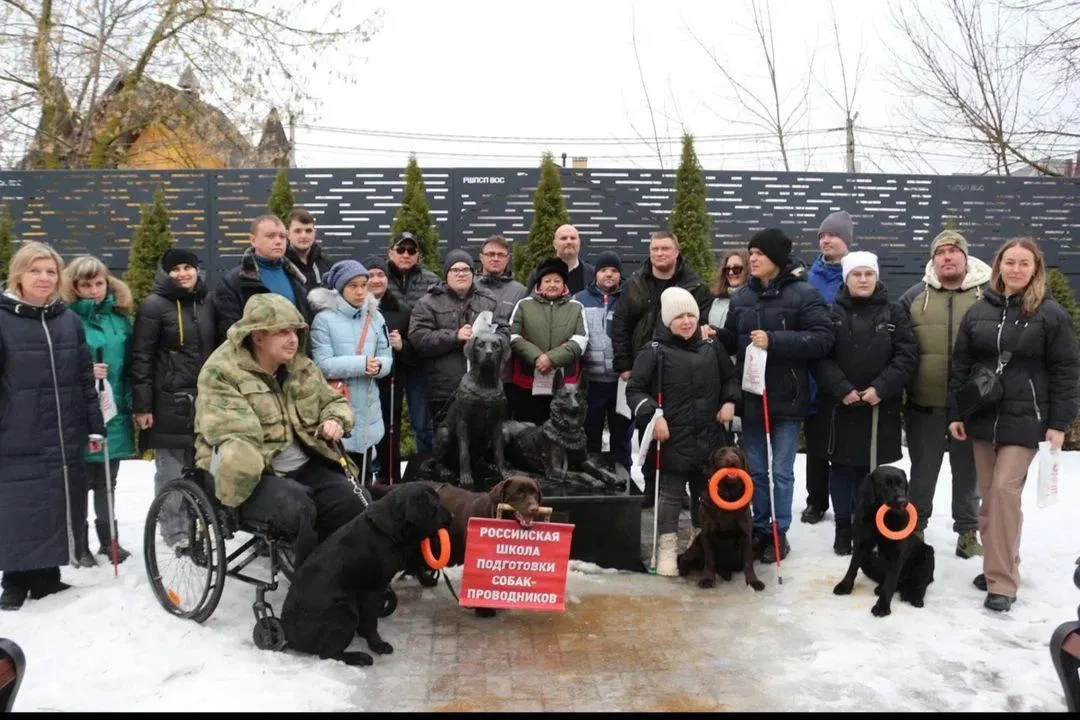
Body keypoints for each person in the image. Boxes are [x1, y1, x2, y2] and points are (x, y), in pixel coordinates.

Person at [948, 237, 1079, 612]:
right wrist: (958, 412)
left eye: (1024, 263)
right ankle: (999, 562)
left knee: (1004, 494)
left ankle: (1002, 582)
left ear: (1035, 268)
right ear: (998, 266)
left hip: (1026, 419)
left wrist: (1059, 423)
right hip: (983, 417)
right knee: (990, 498)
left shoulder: (1050, 314)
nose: (1016, 269)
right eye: (1010, 262)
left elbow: (1066, 371)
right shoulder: (978, 311)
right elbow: (961, 365)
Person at [194, 293, 364, 568]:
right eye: (283, 332)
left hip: (304, 465)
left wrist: (334, 419)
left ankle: (338, 568)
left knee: (353, 500)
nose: (293, 339)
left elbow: (334, 401)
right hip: (252, 473)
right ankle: (309, 577)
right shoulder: (221, 372)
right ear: (258, 337)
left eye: (295, 331)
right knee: (298, 507)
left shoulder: (301, 367)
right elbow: (233, 432)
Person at [0, 242, 104, 611]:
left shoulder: (68, 320)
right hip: (16, 431)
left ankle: (46, 576)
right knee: (18, 505)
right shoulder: (3, 319)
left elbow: (84, 378)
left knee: (55, 502)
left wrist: (95, 426)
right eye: (35, 270)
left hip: (62, 431)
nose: (43, 278)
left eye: (50, 271)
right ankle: (14, 580)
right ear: (19, 274)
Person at [723, 228, 834, 563]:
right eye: (751, 253)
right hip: (752, 396)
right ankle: (759, 528)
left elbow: (822, 338)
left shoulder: (804, 294)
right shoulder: (742, 297)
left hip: (788, 397)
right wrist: (714, 335)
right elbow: (733, 339)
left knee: (782, 472)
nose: (752, 259)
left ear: (777, 258)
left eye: (759, 254)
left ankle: (778, 531)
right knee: (756, 471)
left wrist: (775, 340)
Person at [626, 287, 739, 576]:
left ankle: (702, 545)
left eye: (691, 315)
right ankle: (667, 547)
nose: (687, 322)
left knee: (705, 493)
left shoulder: (712, 346)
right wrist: (653, 416)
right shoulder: (653, 351)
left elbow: (730, 379)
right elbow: (635, 390)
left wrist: (729, 401)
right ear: (667, 320)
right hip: (672, 437)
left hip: (708, 436)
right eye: (679, 317)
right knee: (671, 495)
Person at [811, 251, 917, 555]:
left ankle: (867, 525)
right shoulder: (830, 313)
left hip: (878, 406)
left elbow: (906, 356)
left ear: (876, 277)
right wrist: (841, 388)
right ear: (846, 278)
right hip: (839, 407)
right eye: (856, 274)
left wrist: (880, 388)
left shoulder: (894, 313)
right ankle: (843, 526)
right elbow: (820, 357)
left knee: (870, 472)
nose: (863, 279)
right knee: (841, 469)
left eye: (868, 274)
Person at [898, 229, 990, 557]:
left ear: (966, 257)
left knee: (968, 475)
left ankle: (967, 533)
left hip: (971, 409)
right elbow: (899, 347)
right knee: (922, 474)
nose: (947, 257)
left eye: (953, 251)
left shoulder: (989, 296)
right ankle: (915, 529)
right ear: (933, 259)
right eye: (940, 252)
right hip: (925, 405)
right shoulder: (913, 297)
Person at [612, 230, 711, 505]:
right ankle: (651, 486)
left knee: (681, 432)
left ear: (676, 252)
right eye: (654, 249)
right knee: (648, 428)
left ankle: (679, 489)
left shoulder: (695, 285)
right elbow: (620, 325)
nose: (659, 253)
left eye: (665, 248)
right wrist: (624, 364)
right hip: (645, 367)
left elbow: (702, 326)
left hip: (683, 370)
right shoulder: (635, 283)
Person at [130, 248, 216, 550]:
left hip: (204, 400)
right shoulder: (153, 306)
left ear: (197, 270)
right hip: (168, 400)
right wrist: (142, 406)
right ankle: (175, 532)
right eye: (175, 269)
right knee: (171, 471)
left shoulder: (207, 302)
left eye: (187, 267)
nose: (182, 273)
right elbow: (141, 358)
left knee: (202, 466)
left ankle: (199, 524)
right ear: (166, 273)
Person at [61, 255, 137, 566]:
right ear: (74, 287)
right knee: (79, 482)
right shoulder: (66, 320)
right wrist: (85, 371)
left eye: (99, 283)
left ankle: (110, 540)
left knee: (108, 481)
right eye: (86, 285)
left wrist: (132, 404)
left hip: (113, 410)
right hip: (80, 411)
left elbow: (131, 366)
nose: (94, 290)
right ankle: (79, 544)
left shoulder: (119, 320)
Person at [309, 260, 393, 479]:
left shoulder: (375, 317)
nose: (359, 291)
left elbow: (387, 357)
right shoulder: (323, 320)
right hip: (338, 405)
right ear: (340, 288)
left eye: (363, 285)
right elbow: (322, 365)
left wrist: (379, 367)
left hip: (369, 408)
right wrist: (362, 364)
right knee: (342, 479)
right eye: (352, 286)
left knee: (365, 475)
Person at [408, 249, 499, 431]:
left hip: (483, 388)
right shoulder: (428, 302)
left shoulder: (488, 300)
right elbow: (418, 338)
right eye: (455, 270)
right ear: (446, 274)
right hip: (443, 390)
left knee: (481, 438)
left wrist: (486, 342)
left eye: (466, 269)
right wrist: (454, 336)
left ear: (473, 273)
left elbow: (503, 331)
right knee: (446, 439)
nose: (461, 274)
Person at [802, 210, 854, 526]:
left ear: (846, 240)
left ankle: (846, 504)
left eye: (832, 235)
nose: (826, 240)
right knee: (817, 443)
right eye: (822, 236)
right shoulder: (809, 277)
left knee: (845, 443)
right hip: (813, 373)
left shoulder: (857, 274)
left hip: (848, 370)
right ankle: (816, 501)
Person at [509, 257, 589, 425]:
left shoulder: (576, 307)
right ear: (539, 283)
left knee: (561, 432)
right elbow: (513, 336)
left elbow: (580, 340)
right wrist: (537, 357)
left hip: (564, 388)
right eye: (547, 281)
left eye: (557, 281)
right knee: (528, 431)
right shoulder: (524, 305)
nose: (552, 284)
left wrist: (551, 358)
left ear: (564, 284)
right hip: (528, 383)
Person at [213, 214, 312, 345]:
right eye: (271, 236)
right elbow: (231, 334)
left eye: (282, 236)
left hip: (295, 354)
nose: (278, 241)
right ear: (253, 240)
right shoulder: (234, 281)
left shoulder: (297, 278)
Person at [384, 231, 440, 457]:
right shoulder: (378, 277)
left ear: (418, 255)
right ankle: (388, 471)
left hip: (419, 359)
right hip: (388, 360)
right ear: (390, 252)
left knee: (422, 421)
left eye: (411, 250)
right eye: (401, 249)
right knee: (388, 421)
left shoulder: (432, 281)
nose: (405, 254)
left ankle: (427, 465)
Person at [575, 250, 631, 471]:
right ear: (596, 274)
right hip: (592, 381)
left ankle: (623, 477)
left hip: (621, 380)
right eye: (604, 270)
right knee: (590, 434)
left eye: (614, 270)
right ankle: (592, 476)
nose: (609, 274)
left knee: (622, 435)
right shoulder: (579, 299)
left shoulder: (629, 298)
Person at [364, 255, 414, 483]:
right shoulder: (356, 309)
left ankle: (389, 479)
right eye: (370, 275)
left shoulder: (401, 311)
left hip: (391, 382)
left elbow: (415, 352)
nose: (376, 279)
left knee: (389, 431)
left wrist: (402, 346)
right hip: (362, 380)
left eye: (380, 274)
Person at [475, 235, 528, 328]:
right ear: (481, 257)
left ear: (507, 259)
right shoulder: (469, 286)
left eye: (500, 255)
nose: (496, 259)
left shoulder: (520, 292)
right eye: (491, 254)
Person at [525, 224, 595, 294]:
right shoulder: (538, 274)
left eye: (573, 238)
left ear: (579, 243)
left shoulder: (593, 274)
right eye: (564, 238)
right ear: (555, 244)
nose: (569, 242)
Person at [284, 207, 330, 288]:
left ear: (314, 233)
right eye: (297, 231)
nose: (304, 236)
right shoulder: (281, 264)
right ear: (288, 234)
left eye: (308, 231)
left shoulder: (325, 262)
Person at [707, 249, 750, 329]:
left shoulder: (753, 301)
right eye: (727, 269)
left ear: (748, 270)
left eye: (736, 269)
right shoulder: (716, 301)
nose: (731, 273)